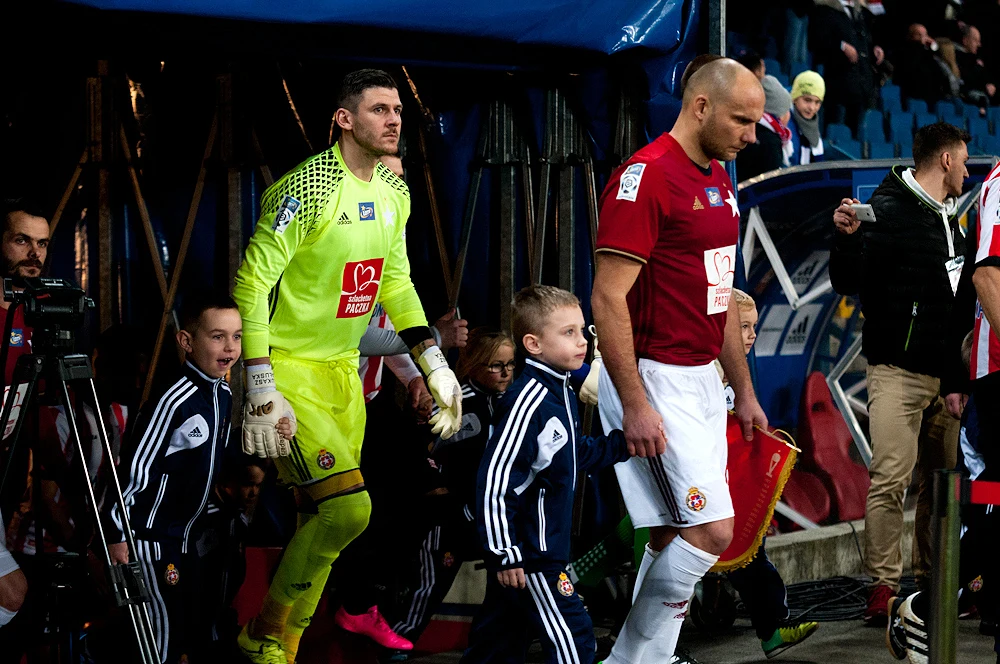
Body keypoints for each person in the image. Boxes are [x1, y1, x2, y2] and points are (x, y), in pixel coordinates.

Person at [232, 68, 463, 664]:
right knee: (349, 508)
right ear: (344, 118)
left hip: (343, 374)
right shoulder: (305, 189)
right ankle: (267, 635)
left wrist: (432, 361)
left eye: (398, 111)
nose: (393, 120)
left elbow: (396, 283)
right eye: (380, 109)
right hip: (288, 370)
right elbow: (252, 281)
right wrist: (259, 380)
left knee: (332, 520)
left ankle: (277, 637)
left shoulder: (395, 192)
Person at [590, 58, 768, 663]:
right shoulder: (645, 177)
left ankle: (650, 659)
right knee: (712, 532)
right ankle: (627, 660)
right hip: (652, 377)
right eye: (742, 120)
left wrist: (741, 391)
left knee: (669, 534)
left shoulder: (719, 180)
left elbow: (718, 297)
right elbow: (606, 296)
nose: (752, 134)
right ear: (699, 107)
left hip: (701, 380)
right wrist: (635, 403)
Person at [830, 122, 971, 626]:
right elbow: (846, 281)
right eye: (963, 159)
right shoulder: (887, 211)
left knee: (941, 486)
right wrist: (845, 239)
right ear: (947, 161)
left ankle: (934, 579)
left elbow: (958, 312)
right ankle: (882, 586)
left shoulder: (952, 220)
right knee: (889, 479)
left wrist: (957, 381)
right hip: (895, 372)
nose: (968, 170)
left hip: (944, 380)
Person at [460, 285, 632, 664]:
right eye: (567, 332)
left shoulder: (559, 390)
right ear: (533, 344)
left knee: (497, 647)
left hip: (534, 552)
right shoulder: (530, 400)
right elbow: (494, 483)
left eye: (583, 330)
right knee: (575, 642)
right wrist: (506, 555)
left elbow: (570, 455)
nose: (582, 341)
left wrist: (625, 444)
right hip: (533, 555)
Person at [105, 291, 256, 663]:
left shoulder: (220, 393)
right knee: (160, 642)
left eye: (237, 336)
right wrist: (116, 534)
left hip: (184, 539)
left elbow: (212, 462)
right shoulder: (175, 399)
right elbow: (136, 467)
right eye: (217, 336)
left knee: (186, 632)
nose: (230, 347)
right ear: (186, 341)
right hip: (149, 540)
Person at [391, 327, 515, 647]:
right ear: (474, 365)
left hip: (495, 514)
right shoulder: (452, 402)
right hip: (450, 514)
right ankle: (397, 642)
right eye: (496, 365)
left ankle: (492, 645)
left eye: (511, 364)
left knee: (509, 583)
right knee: (431, 582)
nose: (505, 373)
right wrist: (440, 495)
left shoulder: (515, 405)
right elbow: (419, 450)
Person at [722, 289, 819, 658]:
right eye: (742, 326)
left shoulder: (736, 382)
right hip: (697, 491)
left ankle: (773, 631)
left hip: (733, 492)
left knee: (751, 557)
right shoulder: (701, 377)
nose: (749, 336)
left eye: (753, 327)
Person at [809, 0, 883, 130]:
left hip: (861, 86)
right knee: (836, 130)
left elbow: (864, 40)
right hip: (838, 85)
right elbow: (817, 40)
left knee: (858, 134)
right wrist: (841, 46)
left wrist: (874, 48)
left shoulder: (861, 13)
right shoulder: (826, 10)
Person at [736, 74, 793, 181]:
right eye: (787, 110)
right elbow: (773, 184)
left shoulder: (748, 128)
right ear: (779, 115)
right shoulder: (770, 142)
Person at [893, 24, 957, 107]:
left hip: (931, 98)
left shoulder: (928, 54)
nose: (924, 38)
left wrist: (932, 48)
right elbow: (911, 68)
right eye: (919, 35)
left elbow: (938, 72)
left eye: (925, 35)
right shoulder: (905, 52)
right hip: (912, 97)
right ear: (911, 36)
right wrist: (921, 46)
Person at [788, 71, 826, 166]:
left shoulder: (813, 126)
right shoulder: (784, 125)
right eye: (807, 100)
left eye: (817, 102)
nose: (812, 108)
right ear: (794, 98)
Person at [955, 25, 997, 110]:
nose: (979, 44)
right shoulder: (956, 58)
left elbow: (987, 78)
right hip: (966, 103)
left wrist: (990, 84)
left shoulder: (977, 60)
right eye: (975, 40)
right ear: (965, 40)